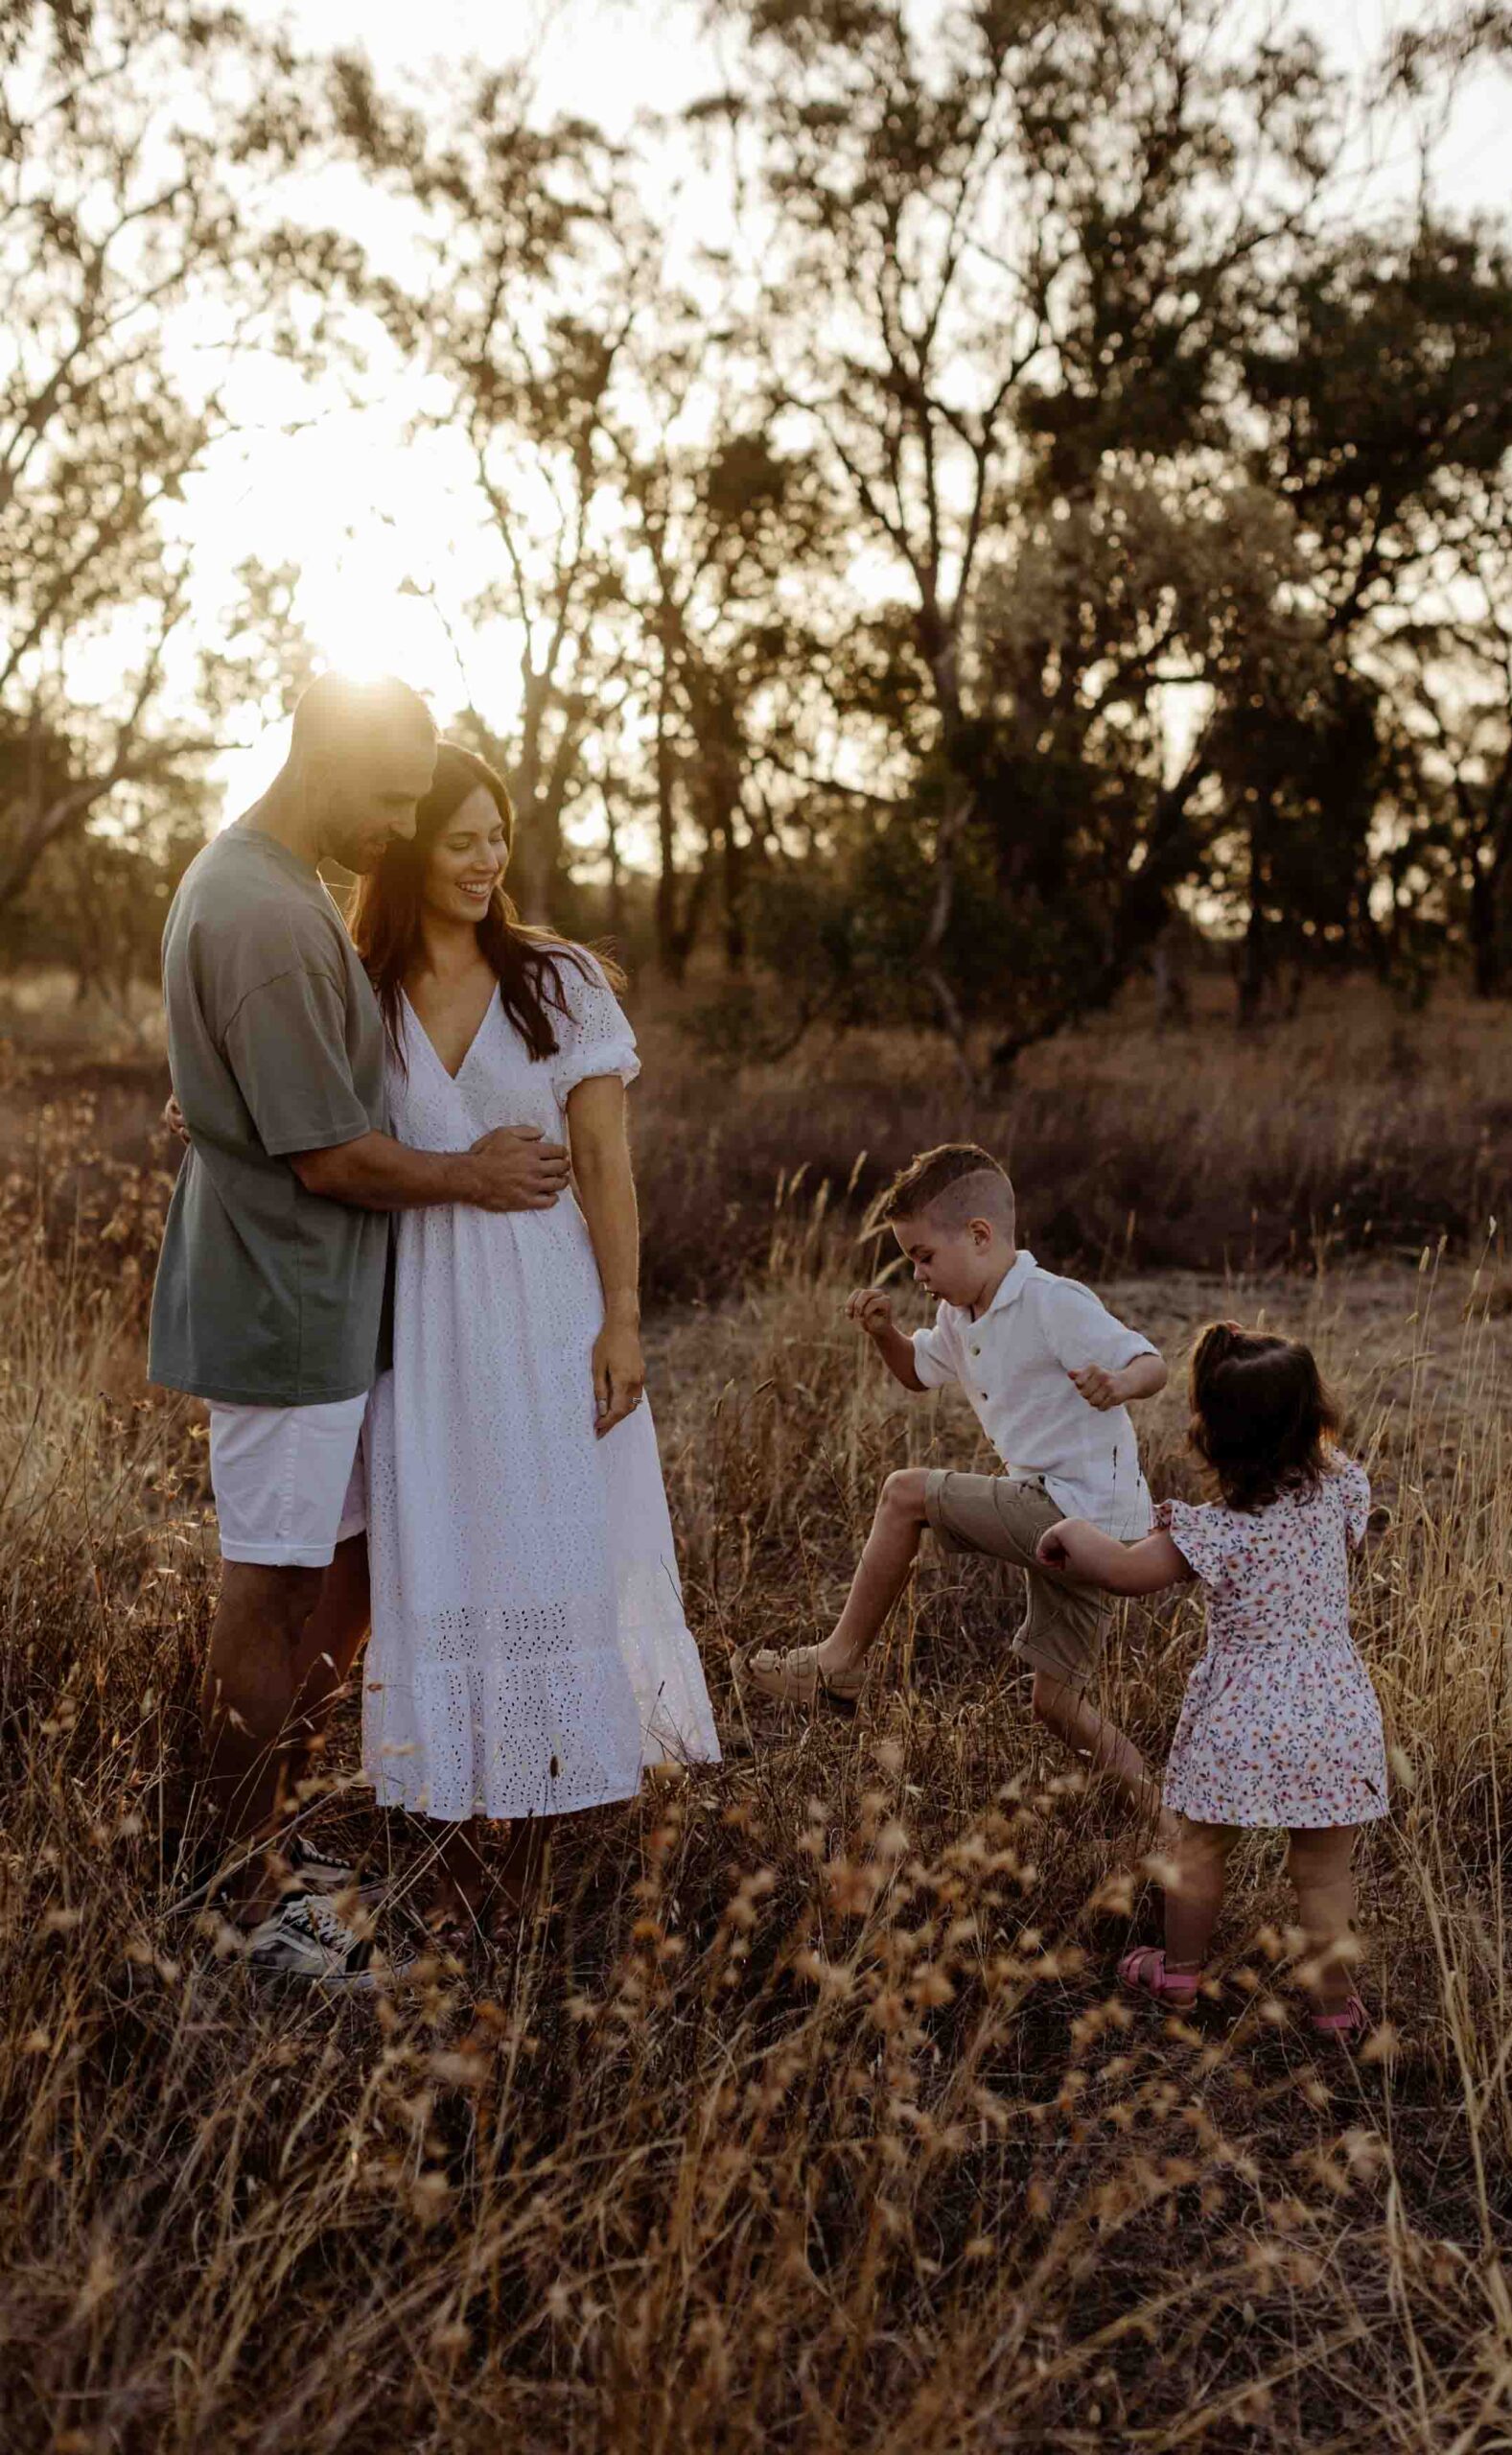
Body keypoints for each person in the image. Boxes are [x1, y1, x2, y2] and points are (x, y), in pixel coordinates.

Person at [151, 674, 573, 1985]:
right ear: (325, 757)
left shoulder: (268, 889)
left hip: (322, 1307)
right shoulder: (264, 914)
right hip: (285, 1305)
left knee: (328, 1596)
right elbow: (330, 1154)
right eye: (389, 798)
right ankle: (231, 1904)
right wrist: (471, 1176)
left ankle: (262, 1857)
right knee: (271, 1597)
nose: (398, 830)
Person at [348, 741, 719, 1927]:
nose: (484, 858)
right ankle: (455, 1849)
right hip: (425, 1311)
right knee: (443, 1549)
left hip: (547, 1304)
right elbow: (316, 1131)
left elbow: (605, 1165)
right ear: (408, 849)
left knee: (552, 1548)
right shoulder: (362, 985)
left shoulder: (554, 979)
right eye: (458, 838)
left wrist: (621, 1319)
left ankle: (547, 1857)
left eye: (495, 836)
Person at [736, 1143, 1170, 1827]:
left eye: (924, 1256)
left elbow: (1152, 1362)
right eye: (909, 1259)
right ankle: (1166, 1820)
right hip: (1064, 1518)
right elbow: (917, 1374)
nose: (917, 1273)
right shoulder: (956, 1316)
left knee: (904, 1494)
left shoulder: (1052, 1302)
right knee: (1055, 1705)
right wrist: (884, 1336)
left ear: (979, 1236)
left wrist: (1118, 1382)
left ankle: (839, 1662)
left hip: (1080, 1512)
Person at [1035, 1321, 1387, 2045]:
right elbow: (1340, 1491)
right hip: (1335, 1714)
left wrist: (1071, 1532)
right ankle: (1335, 2013)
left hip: (1241, 1721)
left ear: (1208, 1438)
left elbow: (1127, 1573)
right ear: (1316, 1418)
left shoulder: (1217, 1530)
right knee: (1323, 1878)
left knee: (1198, 1853)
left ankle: (1180, 1972)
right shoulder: (1343, 1490)